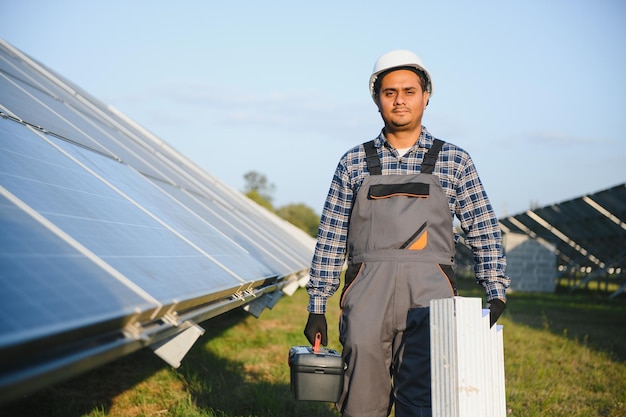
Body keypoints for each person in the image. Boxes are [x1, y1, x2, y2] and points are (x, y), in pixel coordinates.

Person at [303, 49, 511, 417]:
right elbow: (332, 236)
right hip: (367, 297)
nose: (400, 100)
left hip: (431, 298)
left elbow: (483, 228)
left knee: (428, 400)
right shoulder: (353, 161)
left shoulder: (454, 160)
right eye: (389, 92)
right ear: (377, 99)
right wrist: (317, 305)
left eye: (409, 91)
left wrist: (495, 291)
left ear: (426, 97)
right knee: (361, 402)